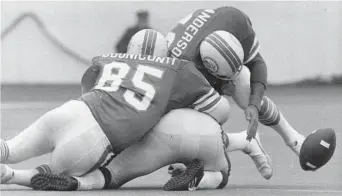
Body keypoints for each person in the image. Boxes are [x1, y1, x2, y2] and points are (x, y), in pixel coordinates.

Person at [1, 29, 269, 192]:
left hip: (72, 111)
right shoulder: (178, 70)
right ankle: (12, 176)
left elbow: (86, 89)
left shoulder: (106, 58)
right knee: (68, 172)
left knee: (11, 149)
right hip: (97, 137)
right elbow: (219, 111)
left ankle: (9, 165)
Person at [166, 6, 309, 178]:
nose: (229, 87)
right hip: (185, 75)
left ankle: (293, 138)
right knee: (185, 138)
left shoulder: (234, 20)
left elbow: (257, 63)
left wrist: (254, 105)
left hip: (201, 60)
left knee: (245, 87)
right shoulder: (183, 68)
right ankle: (245, 142)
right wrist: (219, 87)